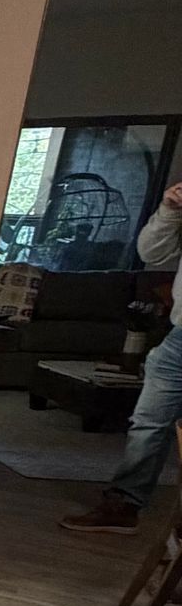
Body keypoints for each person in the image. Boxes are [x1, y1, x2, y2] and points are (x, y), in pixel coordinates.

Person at [61, 178, 182, 531]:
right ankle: (123, 505)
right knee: (148, 422)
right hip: (179, 339)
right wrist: (169, 212)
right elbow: (152, 254)